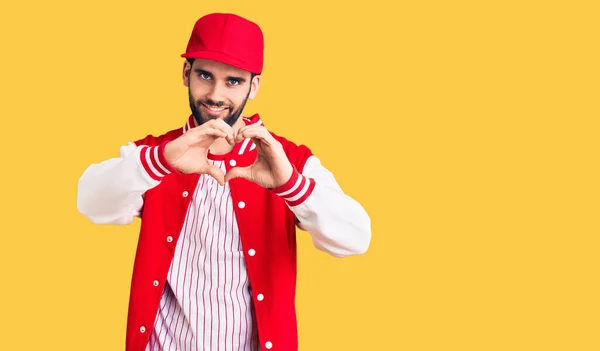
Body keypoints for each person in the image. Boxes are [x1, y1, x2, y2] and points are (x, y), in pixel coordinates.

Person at [76, 12, 371, 351]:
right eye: (205, 75)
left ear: (254, 86)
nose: (216, 95)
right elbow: (89, 202)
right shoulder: (156, 154)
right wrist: (158, 162)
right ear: (186, 74)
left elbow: (355, 239)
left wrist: (290, 185)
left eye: (233, 81)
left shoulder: (289, 161)